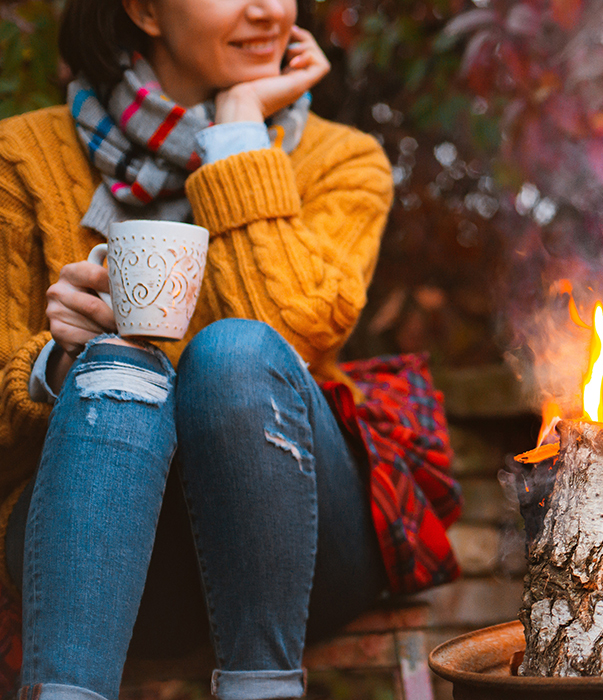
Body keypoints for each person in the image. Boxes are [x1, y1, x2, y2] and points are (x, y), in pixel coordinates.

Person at [0, 0, 445, 698]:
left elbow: (288, 338)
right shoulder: (21, 159)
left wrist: (238, 135)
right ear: (145, 10)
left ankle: (263, 686)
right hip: (114, 548)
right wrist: (53, 366)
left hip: (299, 539)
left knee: (234, 355)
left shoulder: (344, 162)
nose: (267, 8)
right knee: (113, 373)